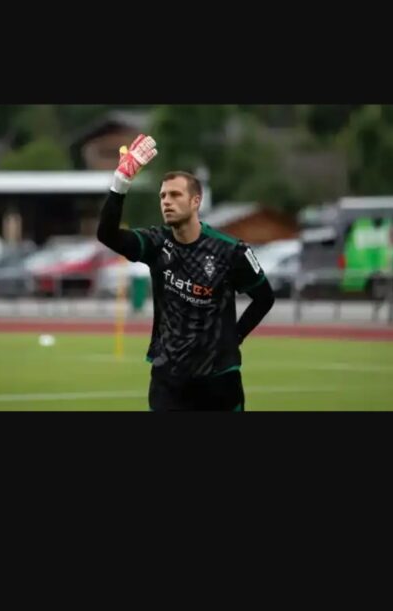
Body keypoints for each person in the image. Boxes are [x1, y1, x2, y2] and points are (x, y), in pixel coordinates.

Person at [97, 134, 275, 411]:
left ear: (196, 201)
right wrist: (121, 182)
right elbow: (107, 235)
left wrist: (234, 337)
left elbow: (265, 298)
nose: (166, 201)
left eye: (175, 195)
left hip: (219, 380)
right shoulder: (157, 243)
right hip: (168, 379)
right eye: (163, 196)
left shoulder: (230, 251)